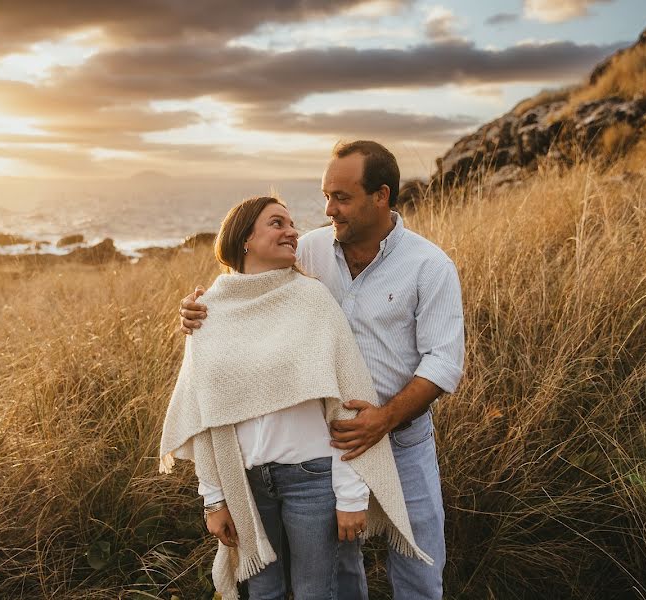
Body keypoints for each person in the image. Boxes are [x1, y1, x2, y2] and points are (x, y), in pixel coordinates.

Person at [179, 141, 464, 599]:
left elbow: (444, 362)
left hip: (402, 439)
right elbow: (249, 292)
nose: (329, 209)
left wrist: (385, 418)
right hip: (328, 443)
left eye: (342, 197)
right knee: (341, 569)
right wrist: (197, 314)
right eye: (326, 195)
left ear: (382, 196)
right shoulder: (307, 250)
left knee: (417, 564)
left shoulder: (429, 266)